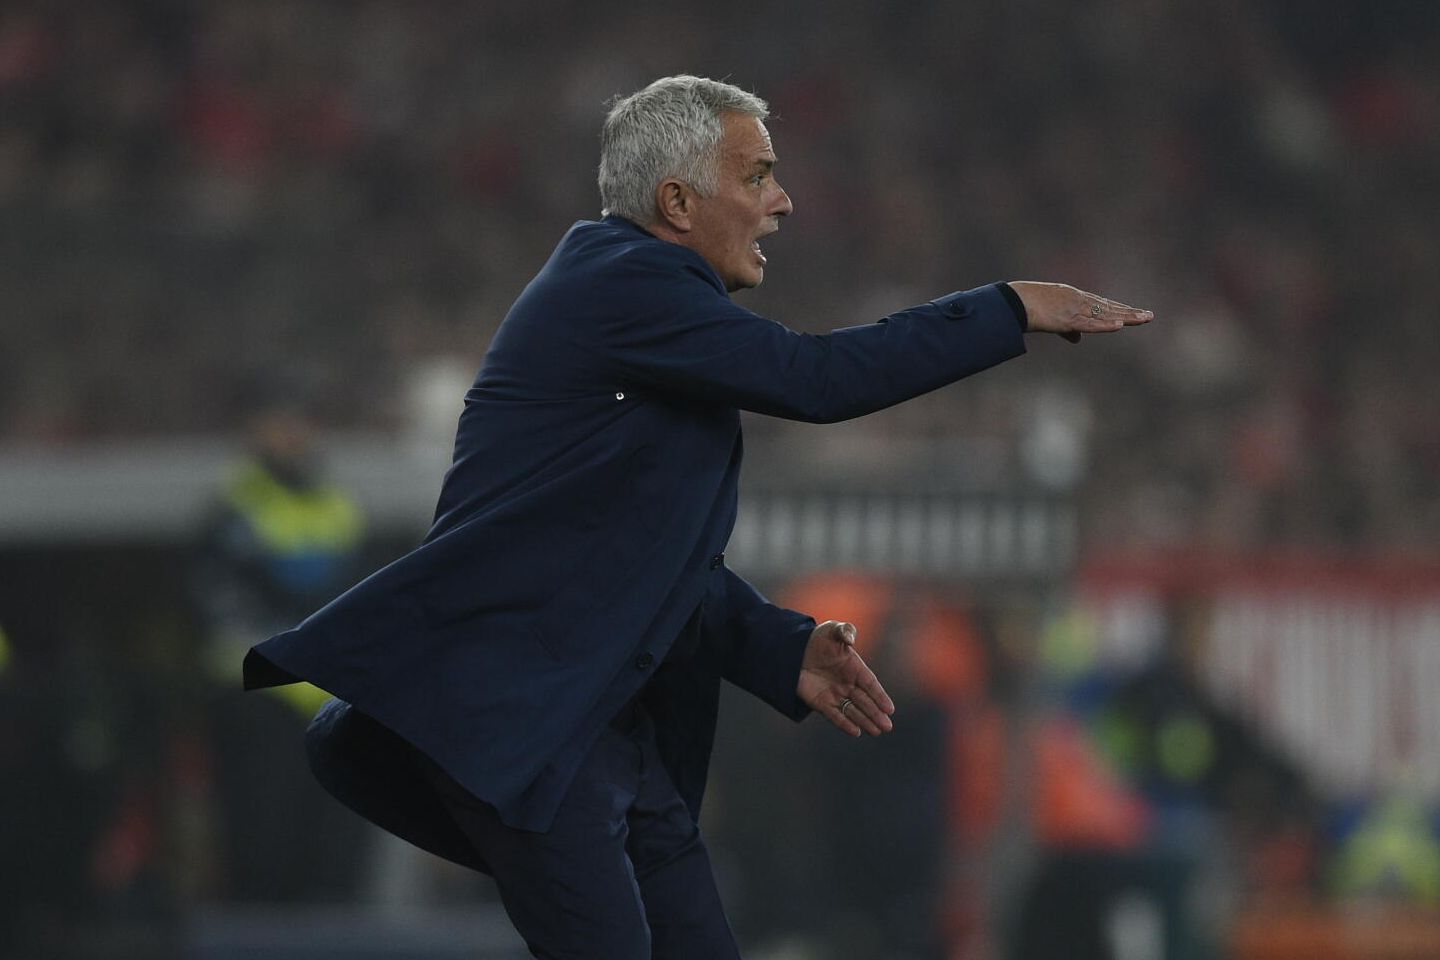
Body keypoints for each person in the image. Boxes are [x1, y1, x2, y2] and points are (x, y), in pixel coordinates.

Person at [243, 75, 1153, 958]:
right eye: (757, 176)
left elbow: (632, 560)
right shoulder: (621, 285)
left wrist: (776, 646)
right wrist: (1006, 309)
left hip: (602, 732)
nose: (782, 202)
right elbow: (819, 379)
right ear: (677, 202)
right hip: (528, 719)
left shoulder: (647, 319)